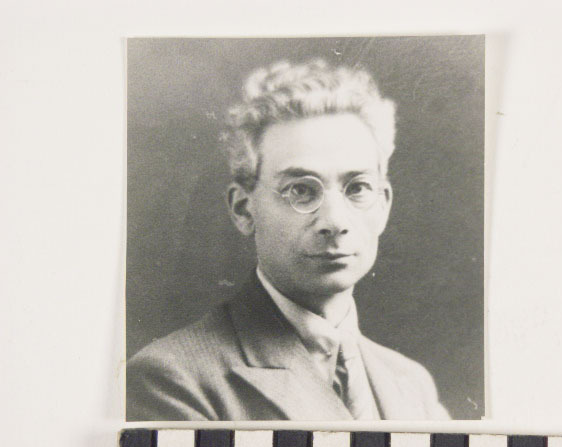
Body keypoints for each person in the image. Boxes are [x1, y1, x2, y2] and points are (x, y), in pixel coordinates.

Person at [126, 59, 450, 421]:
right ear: (243, 209)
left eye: (357, 188)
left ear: (384, 204)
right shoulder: (172, 379)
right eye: (300, 190)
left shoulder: (412, 384)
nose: (334, 222)